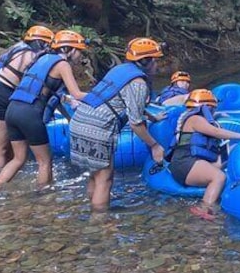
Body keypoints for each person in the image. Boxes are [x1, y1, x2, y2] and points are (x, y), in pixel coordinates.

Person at [68, 37, 167, 212]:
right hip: (97, 128)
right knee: (105, 178)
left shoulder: (120, 69)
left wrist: (153, 118)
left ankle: (91, 208)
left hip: (79, 120)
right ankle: (100, 220)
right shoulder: (138, 83)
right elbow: (136, 123)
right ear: (146, 61)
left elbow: (126, 102)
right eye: (155, 60)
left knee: (95, 173)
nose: (157, 65)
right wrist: (155, 145)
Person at [0, 30, 89, 190]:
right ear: (68, 49)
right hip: (30, 113)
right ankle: (43, 198)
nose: (80, 56)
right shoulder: (62, 64)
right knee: (45, 161)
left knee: (18, 159)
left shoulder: (41, 58)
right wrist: (102, 97)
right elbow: (76, 93)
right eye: (79, 51)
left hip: (12, 109)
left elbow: (49, 92)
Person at [0, 25, 54, 169]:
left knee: (11, 151)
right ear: (42, 43)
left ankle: (8, 183)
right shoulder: (32, 56)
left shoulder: (18, 49)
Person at [167, 89, 240, 221]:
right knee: (219, 177)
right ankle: (205, 209)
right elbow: (215, 132)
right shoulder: (194, 119)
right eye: (213, 108)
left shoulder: (196, 118)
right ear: (207, 107)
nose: (214, 111)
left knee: (228, 154)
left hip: (192, 161)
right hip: (185, 162)